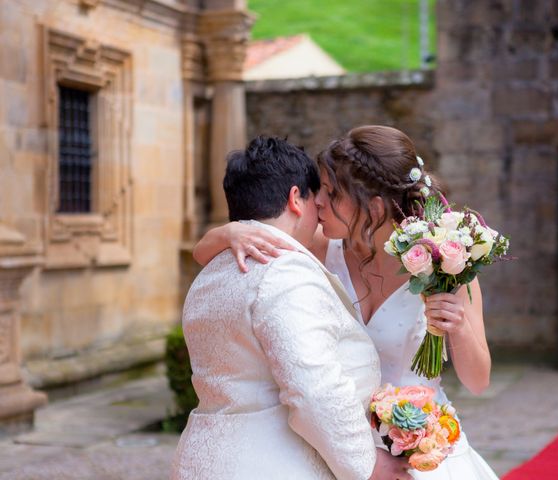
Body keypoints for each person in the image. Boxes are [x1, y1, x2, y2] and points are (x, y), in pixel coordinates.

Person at [193, 126, 500, 479]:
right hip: (346, 447)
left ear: (374, 206)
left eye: (332, 193)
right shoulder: (320, 246)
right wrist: (229, 232)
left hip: (420, 448)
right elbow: (206, 257)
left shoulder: (447, 267)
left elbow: (478, 382)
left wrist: (457, 325)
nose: (318, 201)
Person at [172, 136, 411, 480]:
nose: (322, 211)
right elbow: (314, 390)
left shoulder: (211, 272)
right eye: (318, 198)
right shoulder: (285, 273)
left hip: (202, 459)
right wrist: (367, 464)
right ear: (296, 198)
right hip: (270, 465)